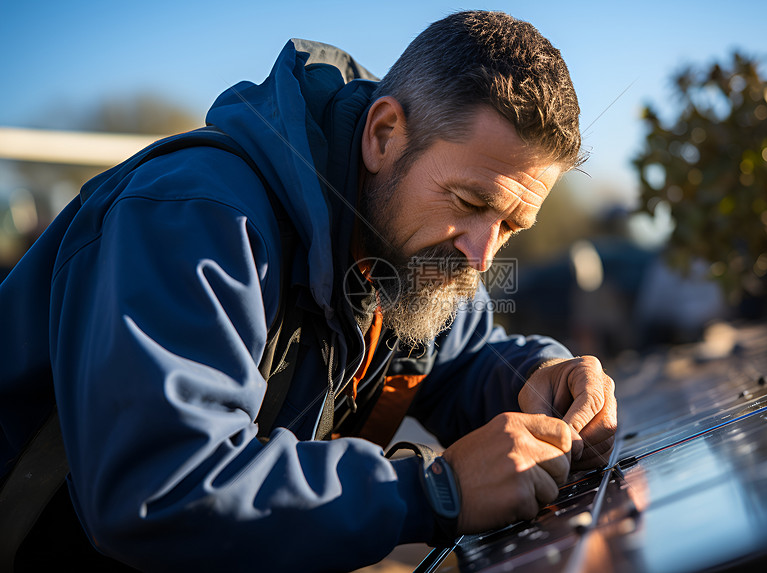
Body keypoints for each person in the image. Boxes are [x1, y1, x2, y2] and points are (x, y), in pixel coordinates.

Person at [0, 10, 617, 571]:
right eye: (470, 202)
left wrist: (542, 378)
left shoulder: (406, 242)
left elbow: (465, 359)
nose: (482, 255)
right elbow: (160, 487)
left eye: (510, 225)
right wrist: (435, 489)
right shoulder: (195, 217)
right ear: (383, 135)